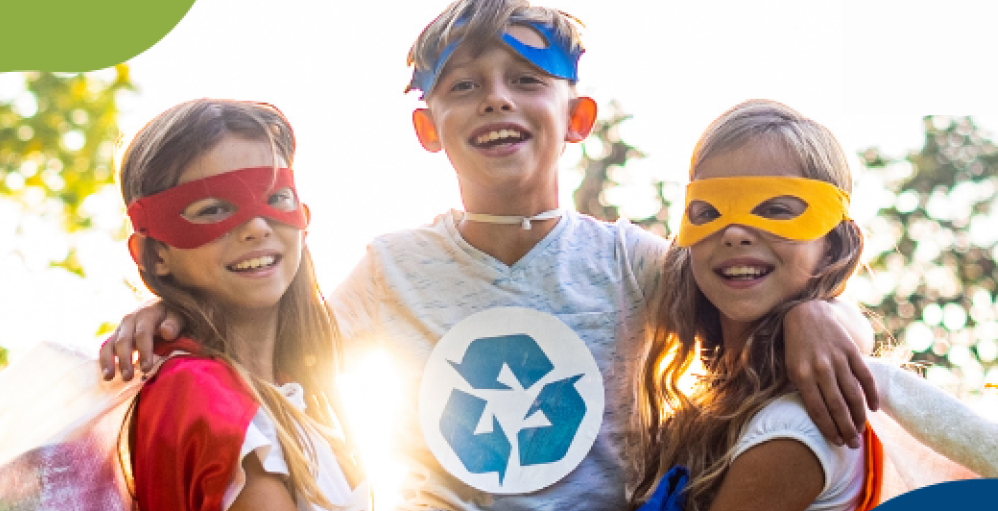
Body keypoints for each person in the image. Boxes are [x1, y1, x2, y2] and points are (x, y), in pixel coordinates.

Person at [100, 2, 878, 510]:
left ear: (575, 116)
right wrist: (175, 309)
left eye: (526, 80)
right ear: (429, 129)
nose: (496, 99)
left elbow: (752, 297)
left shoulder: (637, 261)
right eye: (465, 86)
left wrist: (824, 312)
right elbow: (274, 333)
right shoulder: (385, 268)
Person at [628, 99, 993, 511]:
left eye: (776, 210)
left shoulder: (796, 426)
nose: (733, 232)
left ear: (833, 244)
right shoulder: (723, 403)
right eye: (709, 211)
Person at [117, 99, 368, 511]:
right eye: (213, 208)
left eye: (276, 197)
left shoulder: (291, 397)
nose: (256, 226)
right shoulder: (209, 396)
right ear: (154, 252)